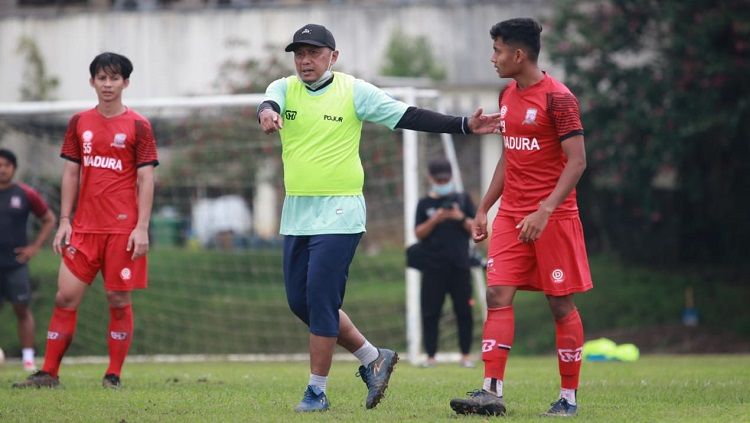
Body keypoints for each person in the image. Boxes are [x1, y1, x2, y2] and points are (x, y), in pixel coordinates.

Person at [257, 24, 501, 412]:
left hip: (341, 211)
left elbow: (409, 115)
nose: (305, 60)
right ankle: (373, 357)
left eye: (314, 53)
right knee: (300, 303)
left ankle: (316, 392)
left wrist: (463, 125)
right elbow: (267, 103)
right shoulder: (283, 88)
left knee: (320, 299)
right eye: (299, 53)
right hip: (297, 213)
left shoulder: (353, 91)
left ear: (332, 57)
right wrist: (266, 114)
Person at [449, 18, 592, 417]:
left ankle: (568, 398)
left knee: (560, 304)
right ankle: (490, 390)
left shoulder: (559, 99)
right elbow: (510, 156)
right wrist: (483, 207)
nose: (492, 58)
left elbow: (577, 162)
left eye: (497, 50)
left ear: (519, 54)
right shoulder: (506, 94)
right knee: (496, 294)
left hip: (555, 216)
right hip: (512, 214)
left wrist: (545, 210)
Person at [13, 52, 159, 389]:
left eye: (114, 78)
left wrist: (141, 227)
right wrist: (65, 219)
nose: (108, 84)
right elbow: (71, 172)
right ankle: (49, 373)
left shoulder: (139, 125)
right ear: (92, 81)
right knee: (65, 297)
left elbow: (146, 179)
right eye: (102, 78)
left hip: (123, 229)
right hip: (83, 228)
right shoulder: (79, 122)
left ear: (126, 83)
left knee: (119, 300)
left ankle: (114, 375)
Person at [414, 158, 475, 369]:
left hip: (460, 266)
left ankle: (466, 355)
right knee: (431, 312)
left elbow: (477, 230)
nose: (443, 182)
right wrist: (436, 218)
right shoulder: (424, 204)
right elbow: (418, 233)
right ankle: (430, 356)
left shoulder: (463, 200)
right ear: (431, 179)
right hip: (432, 267)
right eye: (439, 179)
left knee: (464, 312)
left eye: (446, 179)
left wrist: (459, 217)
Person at [0, 148, 57, 371]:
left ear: (13, 168)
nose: (2, 169)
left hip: (16, 264)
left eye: (6, 165)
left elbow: (49, 219)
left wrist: (34, 247)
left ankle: (28, 358)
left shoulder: (25, 194)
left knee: (22, 309)